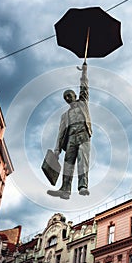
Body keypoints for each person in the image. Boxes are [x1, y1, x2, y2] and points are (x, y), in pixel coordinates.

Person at [47, 62, 92, 200]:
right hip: (71, 139)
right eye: (65, 97)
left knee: (82, 160)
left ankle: (83, 186)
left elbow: (84, 86)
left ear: (74, 95)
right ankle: (65, 190)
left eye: (69, 95)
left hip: (83, 135)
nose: (67, 98)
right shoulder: (64, 116)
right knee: (68, 164)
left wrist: (84, 71)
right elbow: (60, 134)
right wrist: (56, 150)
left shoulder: (82, 102)